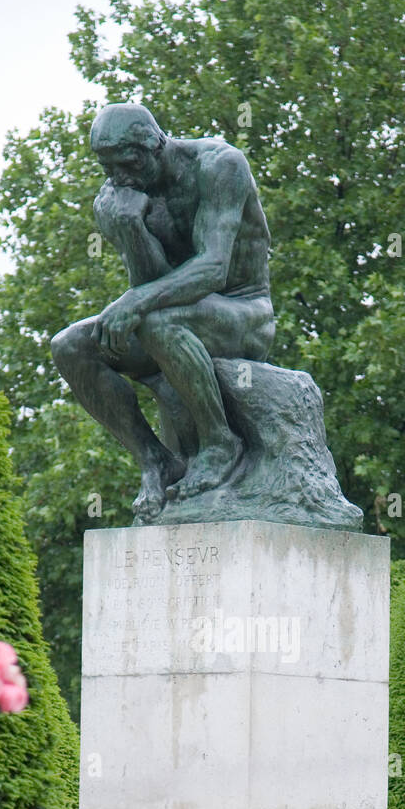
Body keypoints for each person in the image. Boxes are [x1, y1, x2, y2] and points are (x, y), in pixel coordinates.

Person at [51, 103, 276, 522]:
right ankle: (155, 461)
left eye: (125, 163)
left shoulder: (219, 165)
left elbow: (213, 267)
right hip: (175, 320)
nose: (117, 177)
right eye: (106, 166)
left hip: (244, 312)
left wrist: (136, 302)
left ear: (154, 144)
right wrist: (130, 229)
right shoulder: (119, 198)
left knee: (154, 317)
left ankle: (220, 443)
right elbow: (149, 280)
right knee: (71, 346)